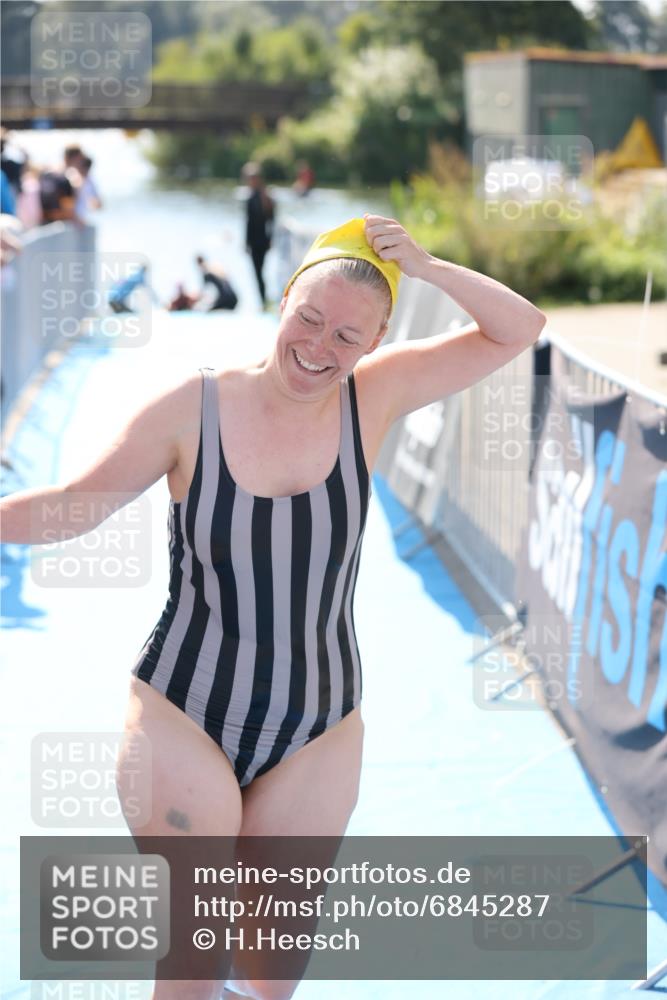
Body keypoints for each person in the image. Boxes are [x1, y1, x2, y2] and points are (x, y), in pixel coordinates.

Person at [0, 214, 546, 998]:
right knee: (191, 965)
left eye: (348, 337)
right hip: (185, 711)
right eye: (309, 318)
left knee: (268, 979)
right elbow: (72, 505)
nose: (320, 348)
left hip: (317, 731)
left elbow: (517, 327)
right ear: (284, 297)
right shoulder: (193, 410)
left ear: (377, 341)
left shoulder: (376, 395)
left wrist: (425, 266)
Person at [242, 161, 274, 308]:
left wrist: (269, 239)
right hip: (259, 241)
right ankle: (263, 300)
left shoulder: (261, 198)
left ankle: (263, 301)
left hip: (259, 242)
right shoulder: (261, 196)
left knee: (259, 272)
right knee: (259, 272)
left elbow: (269, 221)